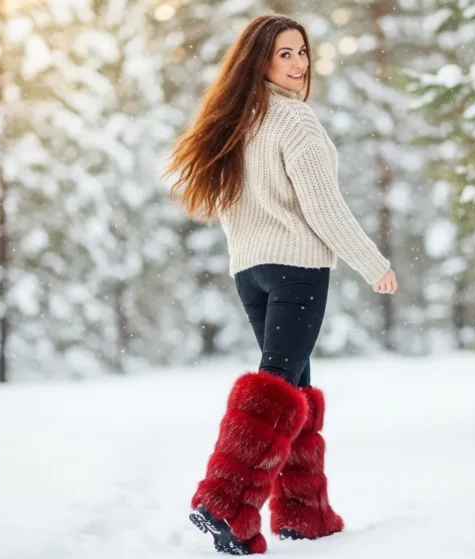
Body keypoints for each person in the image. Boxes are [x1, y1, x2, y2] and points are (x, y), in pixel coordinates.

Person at [164, 13, 397, 556]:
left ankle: (303, 513)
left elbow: (232, 207)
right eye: (284, 54)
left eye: (302, 51)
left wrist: (252, 255)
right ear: (260, 61)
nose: (298, 64)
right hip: (297, 271)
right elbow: (324, 208)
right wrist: (373, 263)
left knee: (293, 389)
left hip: (251, 273)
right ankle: (223, 502)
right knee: (274, 388)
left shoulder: (237, 121)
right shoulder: (295, 121)